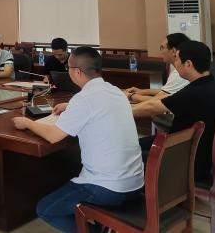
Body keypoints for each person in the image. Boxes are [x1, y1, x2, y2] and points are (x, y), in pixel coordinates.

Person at [12, 46, 144, 232]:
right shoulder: (115, 91)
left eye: (69, 68)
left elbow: (54, 135)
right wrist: (70, 105)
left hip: (106, 188)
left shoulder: (84, 99)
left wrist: (27, 123)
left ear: (77, 72)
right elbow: (96, 106)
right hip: (135, 184)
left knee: (46, 209)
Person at [132, 40, 215, 183]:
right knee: (138, 145)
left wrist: (124, 111)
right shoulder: (214, 84)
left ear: (188, 64)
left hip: (189, 162)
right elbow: (167, 100)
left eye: (177, 59)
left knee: (129, 154)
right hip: (199, 152)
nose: (175, 63)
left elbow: (153, 107)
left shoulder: (195, 92)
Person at [125, 33, 190, 103]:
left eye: (162, 48)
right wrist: (142, 91)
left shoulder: (179, 74)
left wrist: (130, 96)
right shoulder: (181, 69)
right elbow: (166, 92)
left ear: (173, 51)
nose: (161, 52)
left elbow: (156, 101)